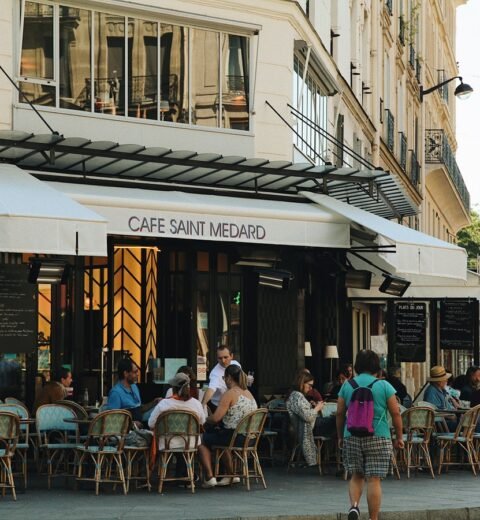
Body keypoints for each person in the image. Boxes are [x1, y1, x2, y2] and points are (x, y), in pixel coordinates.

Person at [336, 350, 403, 520]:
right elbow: (396, 413)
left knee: (356, 475)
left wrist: (340, 436)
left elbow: (339, 413)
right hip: (379, 436)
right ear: (376, 367)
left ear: (357, 367)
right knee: (374, 479)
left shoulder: (347, 386)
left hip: (351, 435)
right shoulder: (384, 386)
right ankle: (373, 519)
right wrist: (399, 437)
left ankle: (354, 506)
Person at [198, 364, 257, 488]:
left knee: (202, 440)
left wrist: (203, 419)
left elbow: (215, 418)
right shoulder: (248, 393)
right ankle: (231, 474)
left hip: (234, 438)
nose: (224, 381)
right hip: (251, 438)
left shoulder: (229, 394)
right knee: (220, 437)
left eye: (224, 378)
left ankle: (210, 477)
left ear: (229, 378)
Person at [286, 370, 335, 466]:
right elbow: (307, 417)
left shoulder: (296, 396)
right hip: (310, 428)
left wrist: (311, 405)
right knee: (338, 420)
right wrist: (317, 408)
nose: (311, 388)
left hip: (312, 425)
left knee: (338, 420)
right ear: (302, 383)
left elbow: (304, 412)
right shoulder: (297, 396)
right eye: (309, 385)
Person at [148, 372, 206, 444]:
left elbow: (151, 423)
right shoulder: (197, 404)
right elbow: (202, 422)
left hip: (167, 444)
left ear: (173, 388)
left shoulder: (163, 404)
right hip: (191, 443)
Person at [106, 358, 158, 425]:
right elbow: (112, 418)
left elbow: (139, 409)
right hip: (127, 430)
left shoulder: (134, 387)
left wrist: (154, 403)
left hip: (141, 423)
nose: (137, 374)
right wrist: (132, 423)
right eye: (135, 372)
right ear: (126, 373)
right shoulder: (116, 393)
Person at [201, 345, 241, 412]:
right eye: (220, 358)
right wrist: (202, 405)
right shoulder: (215, 373)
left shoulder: (236, 364)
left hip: (235, 403)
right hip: (219, 405)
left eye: (225, 357)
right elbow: (211, 389)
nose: (223, 360)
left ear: (231, 356)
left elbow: (241, 379)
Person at [424, 365, 458, 431]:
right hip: (441, 424)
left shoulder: (441, 390)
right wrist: (450, 415)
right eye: (445, 379)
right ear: (439, 381)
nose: (447, 380)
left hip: (447, 421)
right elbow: (433, 411)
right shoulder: (431, 392)